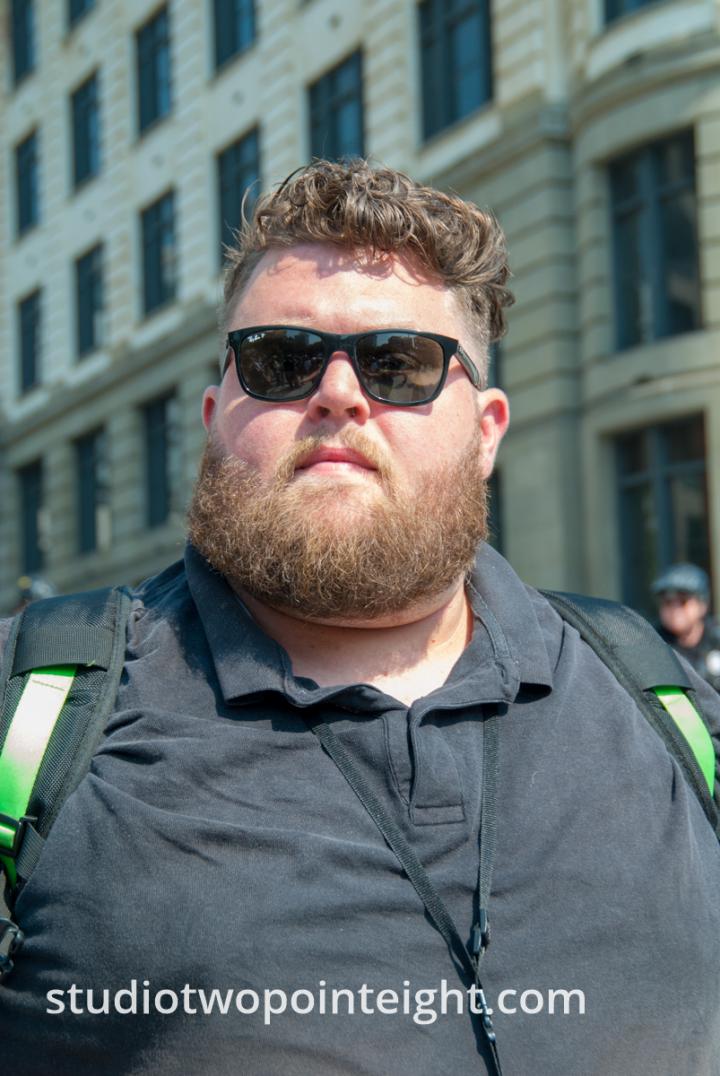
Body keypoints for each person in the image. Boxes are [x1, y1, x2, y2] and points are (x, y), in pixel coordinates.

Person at [1, 160, 719, 1076]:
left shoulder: (653, 692)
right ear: (219, 415)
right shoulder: (37, 710)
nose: (338, 393)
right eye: (281, 360)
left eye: (399, 365)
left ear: (487, 429)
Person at [652, 563, 720, 693]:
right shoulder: (652, 643)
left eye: (683, 601)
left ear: (702, 605)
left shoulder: (716, 640)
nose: (674, 609)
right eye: (667, 602)